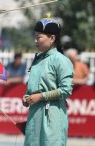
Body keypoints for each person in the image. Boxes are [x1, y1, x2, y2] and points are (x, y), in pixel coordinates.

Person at [23, 16, 73, 146]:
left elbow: (66, 90)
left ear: (52, 38)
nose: (35, 41)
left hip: (52, 114)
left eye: (39, 37)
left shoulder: (61, 60)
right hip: (34, 115)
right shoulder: (37, 59)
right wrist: (27, 97)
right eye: (35, 37)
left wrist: (41, 96)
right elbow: (32, 87)